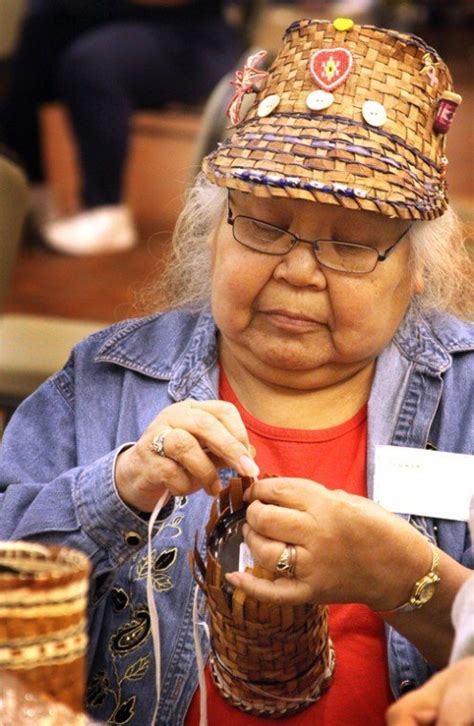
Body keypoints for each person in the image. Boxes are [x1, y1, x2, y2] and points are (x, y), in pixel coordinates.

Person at [1, 16, 473, 726]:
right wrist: (118, 490)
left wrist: (409, 580)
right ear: (211, 230)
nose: (298, 270)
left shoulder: (465, 396)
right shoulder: (105, 377)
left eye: (349, 242)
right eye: (263, 223)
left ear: (414, 269)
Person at [0, 0, 241, 255]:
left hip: (188, 36)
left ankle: (106, 210)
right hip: (84, 21)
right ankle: (30, 192)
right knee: (27, 46)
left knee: (93, 61)